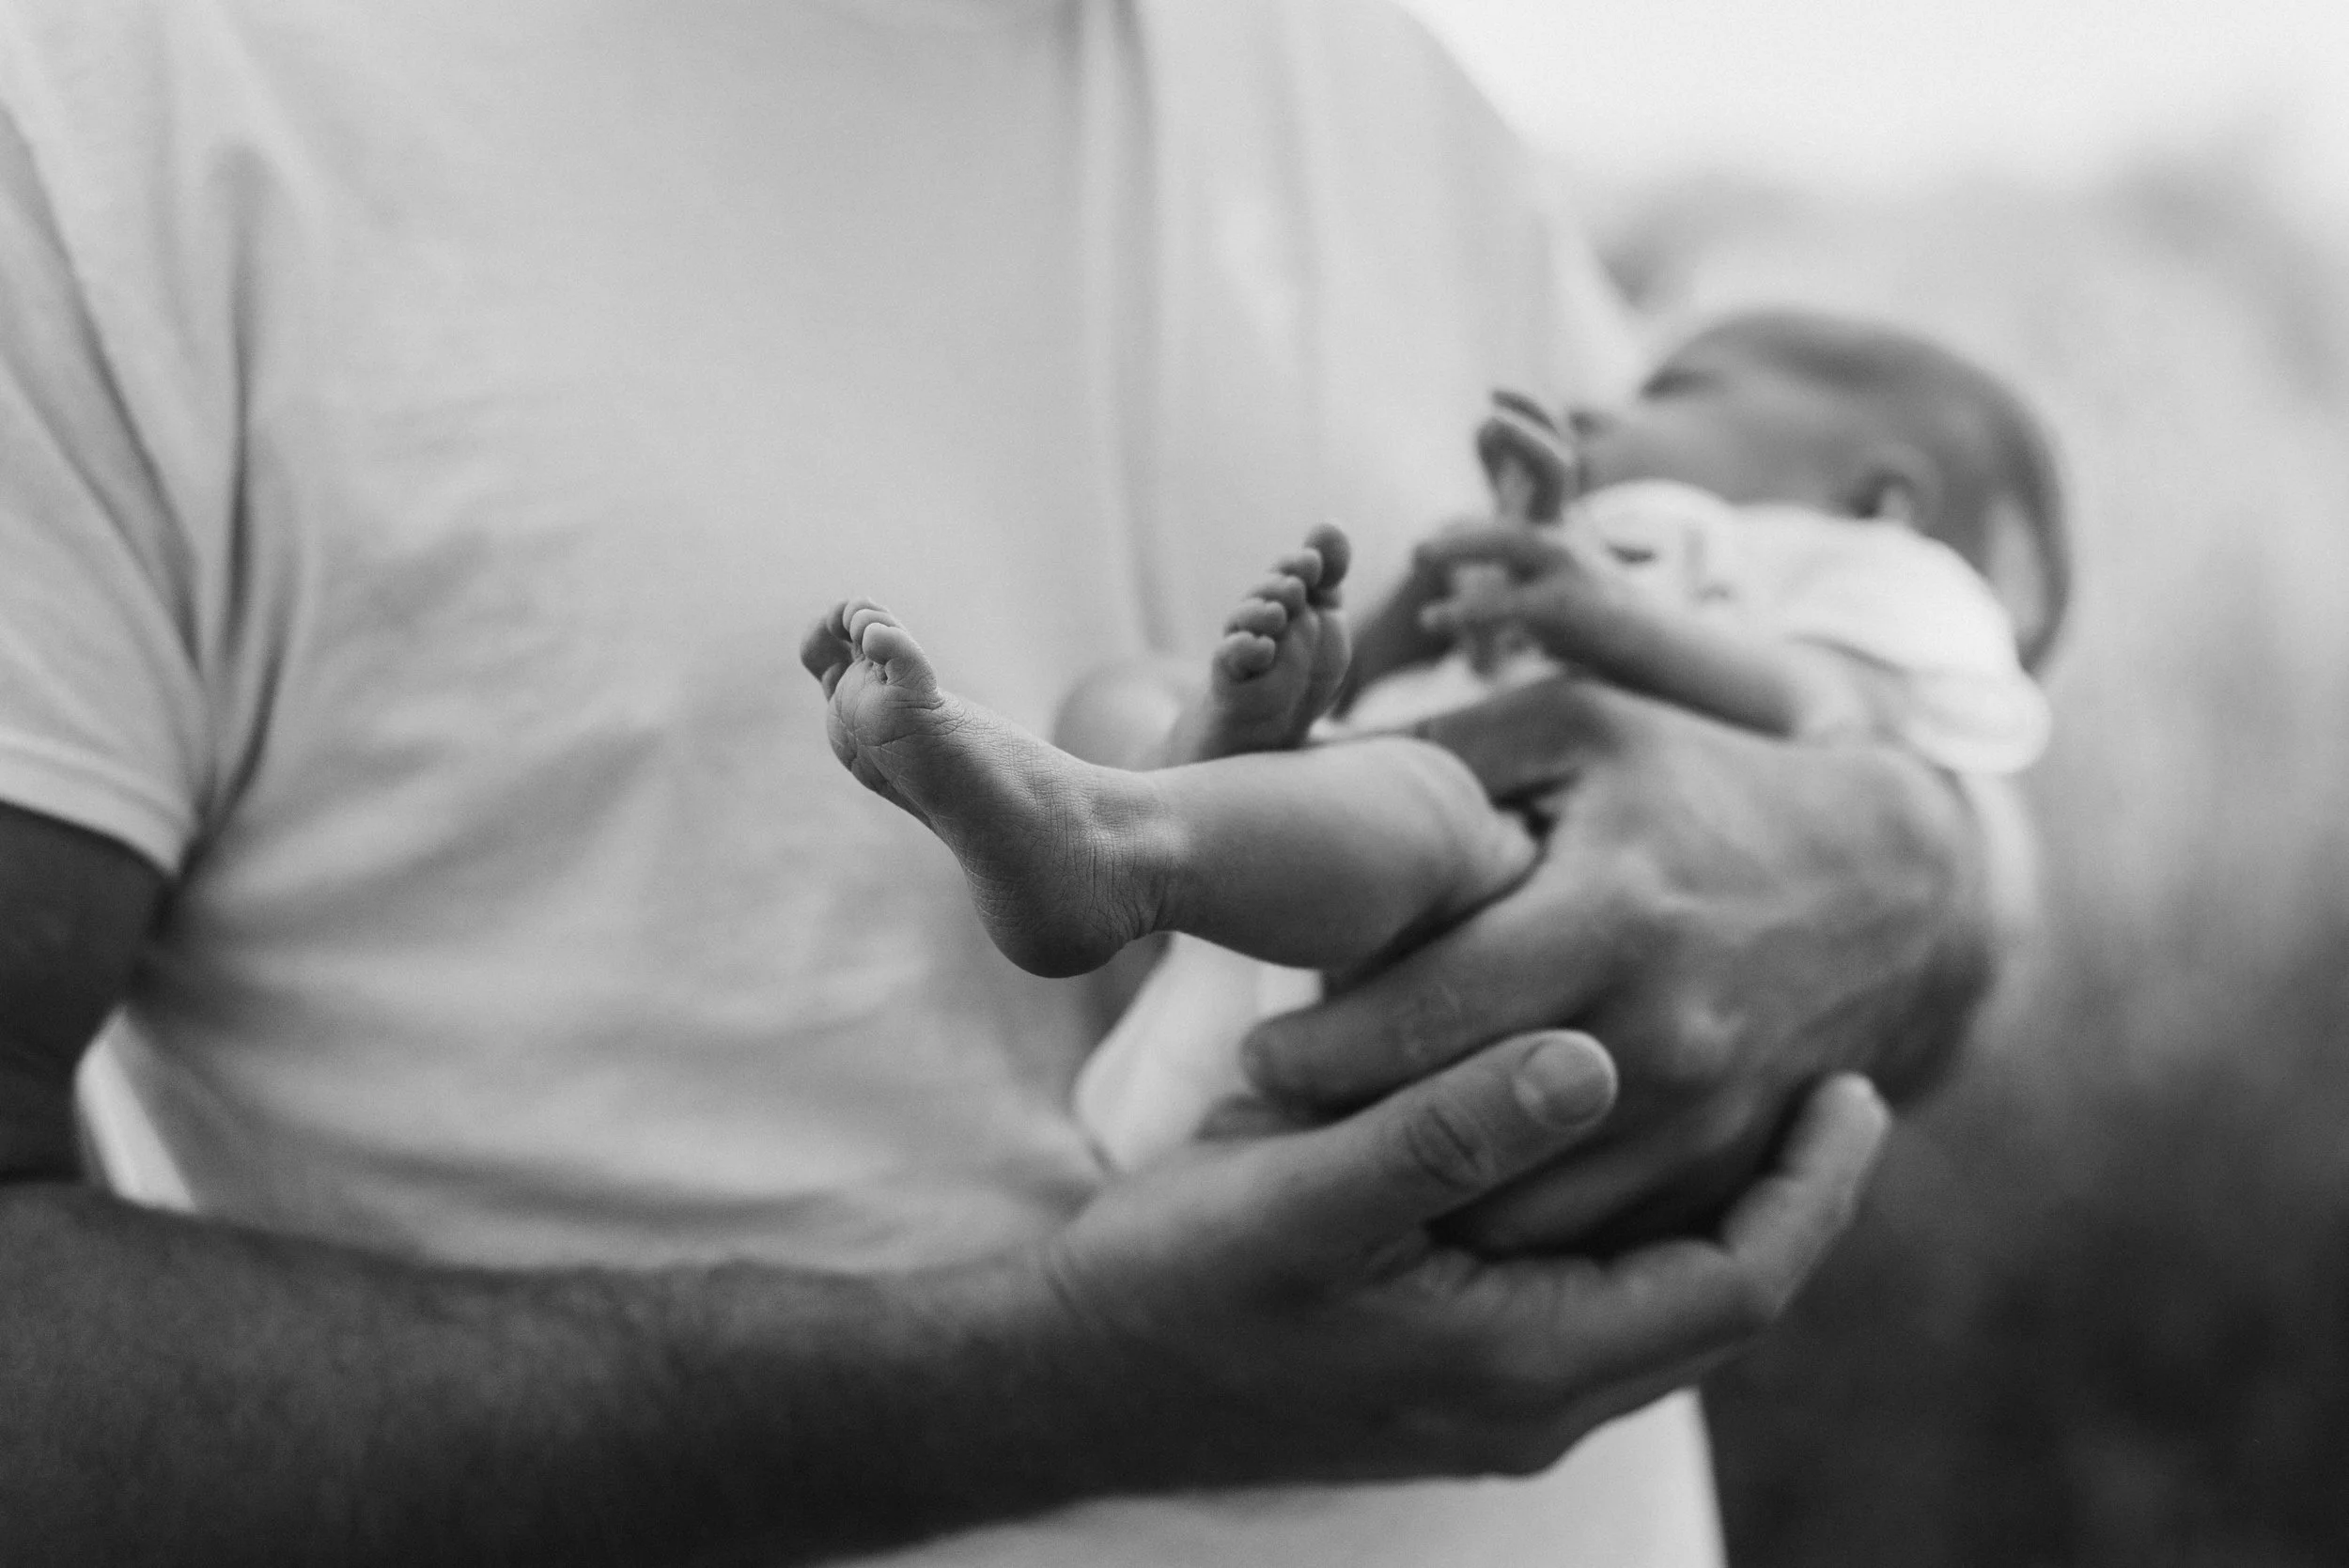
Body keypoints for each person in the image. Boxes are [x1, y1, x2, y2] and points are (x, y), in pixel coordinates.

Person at [0, 1, 1992, 1562]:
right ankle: (1136, 809)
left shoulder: (1386, 84)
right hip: (1264, 1015)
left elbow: (1927, 839)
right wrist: (1060, 1388)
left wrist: (1901, 888)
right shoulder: (109, 107)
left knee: (1356, 787)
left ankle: (1146, 809)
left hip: (1296, 1015)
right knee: (1364, 790)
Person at [800, 308, 2059, 1170]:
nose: (1594, 402)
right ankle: (1138, 802)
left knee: (1426, 804)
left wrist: (1607, 616)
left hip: (1474, 918)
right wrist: (1403, 615)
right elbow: (1418, 669)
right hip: (1290, 912)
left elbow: (1850, 730)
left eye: (1670, 389)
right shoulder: (1610, 531)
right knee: (1124, 698)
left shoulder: (1888, 581)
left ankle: (1123, 841)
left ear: (1883, 497)